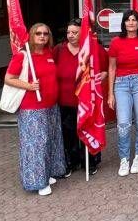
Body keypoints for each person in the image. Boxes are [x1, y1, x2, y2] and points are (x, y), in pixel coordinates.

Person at [4, 23, 66, 196]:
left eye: (46, 33)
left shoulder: (49, 53)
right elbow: (9, 78)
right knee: (36, 145)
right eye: (38, 33)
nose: (42, 36)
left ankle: (46, 172)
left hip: (51, 106)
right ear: (31, 35)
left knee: (50, 141)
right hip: (32, 108)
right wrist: (29, 86)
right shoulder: (23, 56)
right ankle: (37, 181)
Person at [53, 18, 107, 176]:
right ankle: (71, 161)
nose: (70, 35)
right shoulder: (58, 49)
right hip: (65, 100)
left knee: (87, 130)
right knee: (68, 133)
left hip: (86, 101)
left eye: (75, 32)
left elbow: (104, 69)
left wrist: (101, 77)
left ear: (83, 33)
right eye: (68, 32)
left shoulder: (93, 48)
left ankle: (89, 161)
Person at [106, 10, 138, 177]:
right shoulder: (116, 42)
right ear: (123, 23)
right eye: (128, 20)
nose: (131, 23)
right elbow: (111, 68)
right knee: (123, 123)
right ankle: (124, 159)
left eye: (134, 20)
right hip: (121, 84)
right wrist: (110, 93)